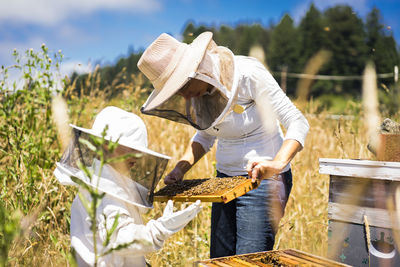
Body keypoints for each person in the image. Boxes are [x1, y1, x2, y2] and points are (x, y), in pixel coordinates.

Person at [137, 32, 309, 258]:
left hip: (263, 182)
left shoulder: (248, 74)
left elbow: (297, 121)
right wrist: (181, 168)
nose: (185, 96)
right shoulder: (197, 93)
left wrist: (276, 164)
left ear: (197, 68)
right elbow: (205, 136)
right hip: (223, 182)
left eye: (183, 86)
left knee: (249, 259)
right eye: (177, 91)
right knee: (220, 258)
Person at [54, 106, 202, 266]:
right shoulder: (103, 191)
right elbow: (120, 239)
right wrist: (158, 230)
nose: (137, 156)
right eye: (131, 148)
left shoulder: (100, 178)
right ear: (105, 144)